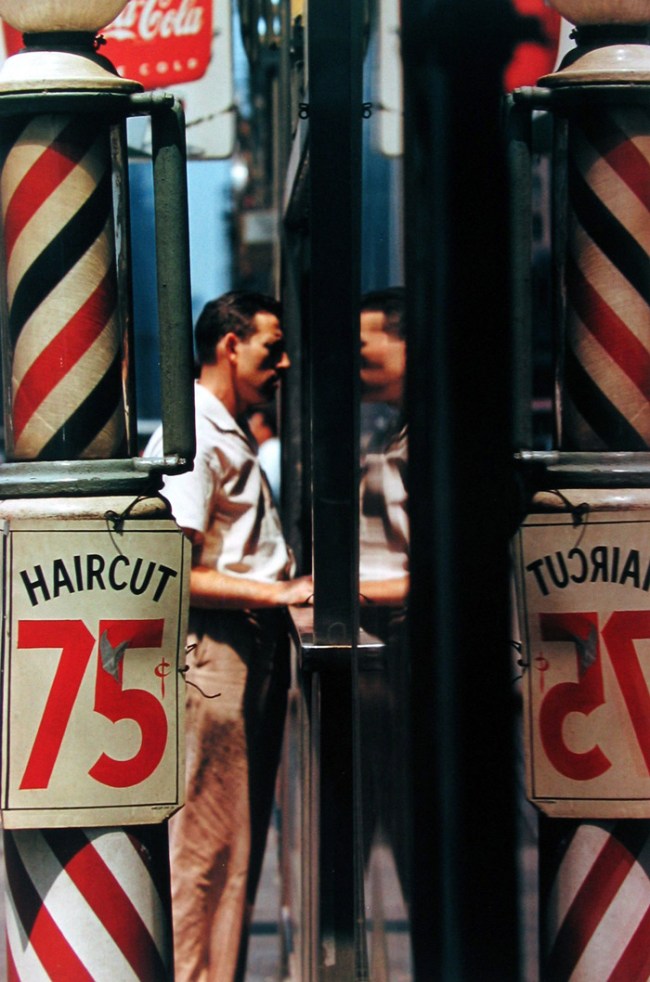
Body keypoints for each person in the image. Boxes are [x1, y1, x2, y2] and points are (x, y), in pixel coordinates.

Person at [146, 291, 313, 982]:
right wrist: (276, 592)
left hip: (245, 653)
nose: (284, 363)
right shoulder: (193, 441)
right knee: (207, 856)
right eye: (272, 347)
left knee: (233, 852)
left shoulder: (223, 429)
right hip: (218, 655)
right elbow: (173, 572)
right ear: (229, 346)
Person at [248, 404, 281, 503]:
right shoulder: (268, 449)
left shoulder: (271, 448)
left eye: (254, 426)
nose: (252, 431)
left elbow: (270, 486)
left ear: (265, 427)